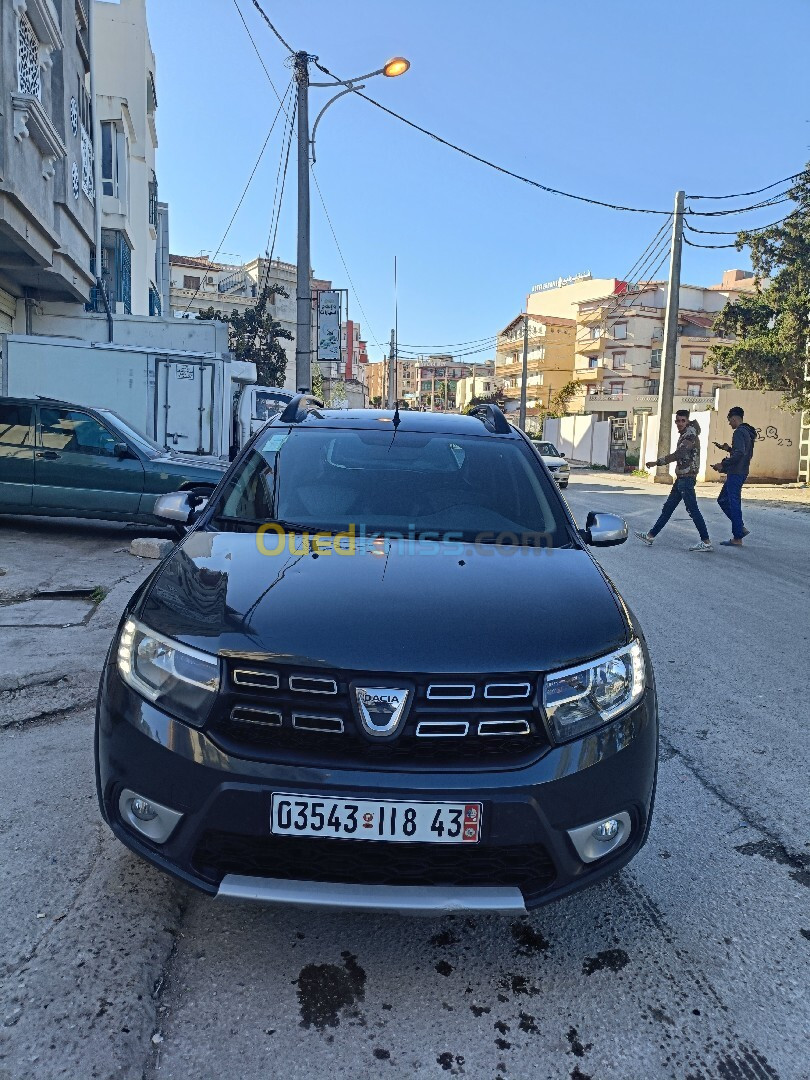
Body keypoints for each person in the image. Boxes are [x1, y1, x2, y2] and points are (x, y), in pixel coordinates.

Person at [635, 411, 713, 552]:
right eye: (677, 421)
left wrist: (657, 462)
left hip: (687, 478)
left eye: (682, 420)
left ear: (687, 421)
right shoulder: (686, 434)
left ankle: (706, 541)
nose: (679, 423)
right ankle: (650, 535)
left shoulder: (690, 435)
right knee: (668, 508)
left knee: (693, 510)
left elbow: (679, 454)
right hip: (681, 479)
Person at [711, 406, 756, 547]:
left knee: (733, 503)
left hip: (736, 472)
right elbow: (740, 451)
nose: (729, 423)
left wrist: (722, 464)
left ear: (735, 419)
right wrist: (727, 449)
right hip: (741, 471)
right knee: (723, 500)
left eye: (730, 420)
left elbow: (740, 454)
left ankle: (737, 537)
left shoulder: (739, 432)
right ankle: (740, 527)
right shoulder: (748, 432)